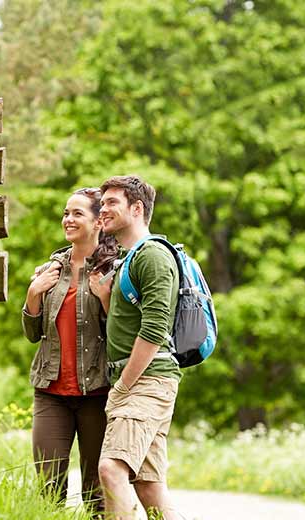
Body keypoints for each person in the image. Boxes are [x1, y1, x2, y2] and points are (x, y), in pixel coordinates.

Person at [21, 187, 119, 513]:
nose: (68, 219)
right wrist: (33, 295)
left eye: (77, 213)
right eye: (66, 213)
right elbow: (33, 334)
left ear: (97, 223)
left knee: (97, 491)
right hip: (50, 392)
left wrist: (105, 299)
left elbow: (121, 337)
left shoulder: (112, 268)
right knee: (50, 487)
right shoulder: (51, 268)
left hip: (97, 393)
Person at [97, 175, 182, 519]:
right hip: (145, 381)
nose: (103, 209)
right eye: (102, 203)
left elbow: (155, 328)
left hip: (147, 382)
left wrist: (123, 386)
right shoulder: (129, 258)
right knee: (148, 485)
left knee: (111, 469)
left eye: (112, 202)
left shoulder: (153, 255)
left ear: (137, 208)